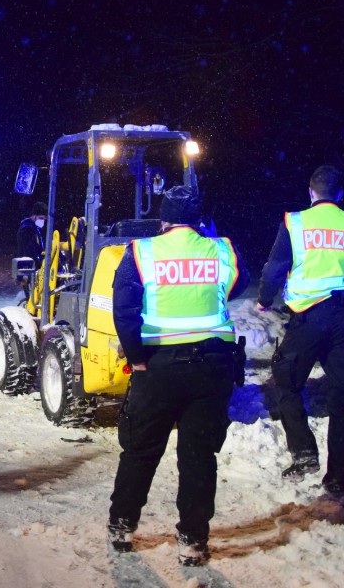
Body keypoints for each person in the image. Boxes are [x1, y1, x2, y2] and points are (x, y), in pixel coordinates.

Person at [107, 185, 250, 566]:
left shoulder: (142, 252)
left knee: (140, 450)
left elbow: (123, 309)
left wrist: (136, 357)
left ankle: (122, 525)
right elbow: (240, 284)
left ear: (163, 220)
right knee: (199, 455)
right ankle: (193, 540)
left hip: (158, 367)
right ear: (199, 220)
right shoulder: (221, 249)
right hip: (213, 366)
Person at [256, 166, 344, 496]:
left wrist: (263, 299)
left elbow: (275, 267)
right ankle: (339, 479)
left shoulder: (295, 223)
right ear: (340, 194)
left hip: (309, 317)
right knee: (343, 397)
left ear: (311, 192)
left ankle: (303, 453)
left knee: (285, 380)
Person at [16, 201, 47, 298]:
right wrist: (41, 259)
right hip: (29, 267)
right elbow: (31, 249)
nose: (43, 221)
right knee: (32, 296)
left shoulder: (33, 228)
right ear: (34, 216)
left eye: (44, 219)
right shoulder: (27, 229)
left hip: (30, 266)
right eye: (41, 218)